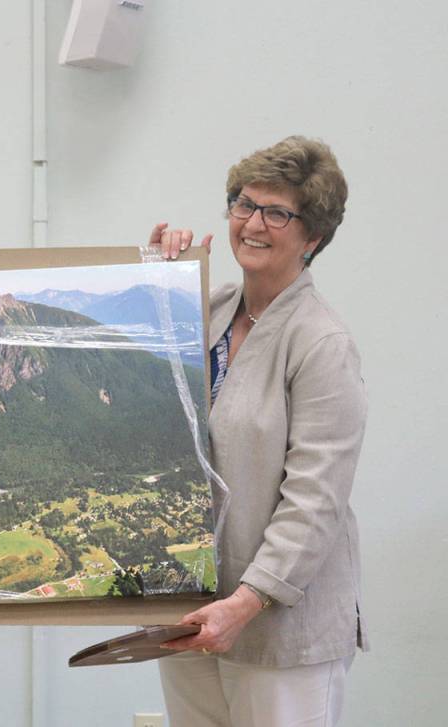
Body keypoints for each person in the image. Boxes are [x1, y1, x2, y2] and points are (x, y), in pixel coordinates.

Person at [149, 136, 367, 726]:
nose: (253, 223)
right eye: (244, 204)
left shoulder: (322, 342)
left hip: (278, 626)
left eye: (278, 213)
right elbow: (143, 394)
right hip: (192, 608)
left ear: (313, 238)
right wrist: (156, 277)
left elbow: (315, 499)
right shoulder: (211, 309)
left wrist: (246, 602)